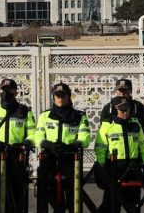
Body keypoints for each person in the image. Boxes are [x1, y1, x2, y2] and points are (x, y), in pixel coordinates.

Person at [0, 78, 36, 212]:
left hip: (16, 156)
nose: (6, 93)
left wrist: (27, 143)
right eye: (4, 90)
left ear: (16, 93)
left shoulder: (24, 111)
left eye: (10, 91)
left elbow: (32, 133)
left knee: (17, 191)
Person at [34, 82, 91, 212]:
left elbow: (85, 137)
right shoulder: (44, 116)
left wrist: (73, 145)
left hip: (70, 159)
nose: (60, 98)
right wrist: (47, 144)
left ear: (68, 96)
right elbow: (38, 136)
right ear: (53, 97)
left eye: (63, 95)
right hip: (50, 158)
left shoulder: (79, 116)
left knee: (73, 197)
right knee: (47, 193)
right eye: (57, 95)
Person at [94, 96, 144, 213]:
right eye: (121, 110)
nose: (125, 112)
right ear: (114, 110)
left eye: (127, 109)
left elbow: (143, 146)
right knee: (112, 205)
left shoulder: (136, 125)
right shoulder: (106, 126)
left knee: (133, 205)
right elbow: (100, 149)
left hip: (133, 168)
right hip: (114, 169)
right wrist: (101, 170)